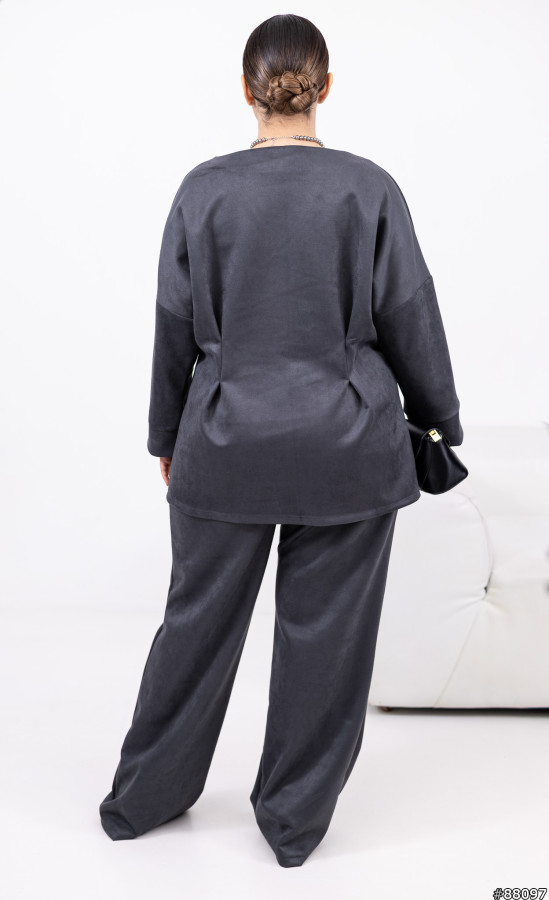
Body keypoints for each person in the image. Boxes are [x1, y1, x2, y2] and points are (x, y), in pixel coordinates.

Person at [99, 13, 464, 867]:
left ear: (246, 90)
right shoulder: (368, 187)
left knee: (194, 625)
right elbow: (410, 312)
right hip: (349, 441)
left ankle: (143, 800)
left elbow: (173, 324)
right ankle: (292, 825)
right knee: (325, 640)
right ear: (324, 87)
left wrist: (165, 434)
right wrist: (440, 419)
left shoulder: (203, 189)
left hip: (224, 437)